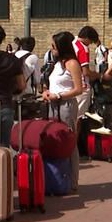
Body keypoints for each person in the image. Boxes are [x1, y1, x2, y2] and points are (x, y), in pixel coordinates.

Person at [41, 31, 84, 192]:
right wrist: (47, 92)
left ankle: (73, 181)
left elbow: (78, 89)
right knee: (55, 139)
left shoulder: (72, 63)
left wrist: (58, 95)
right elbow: (51, 83)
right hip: (53, 104)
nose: (52, 49)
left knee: (69, 140)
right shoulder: (56, 63)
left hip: (66, 105)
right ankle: (58, 177)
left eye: (54, 46)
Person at [73, 25, 100, 118]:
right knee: (79, 115)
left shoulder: (72, 43)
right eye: (91, 42)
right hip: (82, 85)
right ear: (87, 38)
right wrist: (99, 75)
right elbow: (86, 72)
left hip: (70, 83)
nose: (89, 44)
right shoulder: (83, 48)